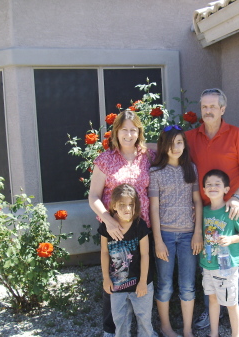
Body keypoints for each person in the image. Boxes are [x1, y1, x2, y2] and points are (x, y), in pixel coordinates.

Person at [185, 88, 239, 332]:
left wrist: (237, 197)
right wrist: (137, 144)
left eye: (213, 107)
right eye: (204, 107)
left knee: (230, 264)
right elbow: (166, 146)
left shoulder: (235, 134)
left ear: (222, 110)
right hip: (205, 214)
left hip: (231, 212)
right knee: (209, 262)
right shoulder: (192, 136)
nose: (207, 111)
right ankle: (211, 311)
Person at [89, 109, 155, 337]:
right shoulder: (105, 160)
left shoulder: (147, 156)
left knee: (142, 275)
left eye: (133, 130)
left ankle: (144, 327)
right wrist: (107, 220)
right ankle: (112, 329)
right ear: (116, 132)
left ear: (139, 132)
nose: (128, 134)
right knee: (115, 278)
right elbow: (93, 196)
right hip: (116, 231)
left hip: (142, 229)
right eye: (124, 129)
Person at [149, 125, 203, 337]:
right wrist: (158, 241)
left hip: (189, 236)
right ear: (163, 146)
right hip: (166, 236)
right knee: (164, 286)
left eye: (179, 142)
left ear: (184, 144)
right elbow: (153, 207)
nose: (175, 147)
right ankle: (166, 327)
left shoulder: (191, 168)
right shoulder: (156, 172)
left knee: (188, 285)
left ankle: (187, 330)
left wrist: (198, 232)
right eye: (171, 143)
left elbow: (197, 202)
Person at [99, 183, 157, 337]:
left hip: (141, 284)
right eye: (122, 204)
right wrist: (106, 278)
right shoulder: (107, 227)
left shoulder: (140, 225)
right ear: (113, 205)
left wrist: (143, 281)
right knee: (121, 321)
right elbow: (104, 252)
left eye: (131, 204)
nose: (127, 208)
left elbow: (145, 255)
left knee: (144, 320)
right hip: (117, 285)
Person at [200, 169, 239, 337]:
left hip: (226, 267)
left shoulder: (232, 210)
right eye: (208, 184)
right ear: (204, 190)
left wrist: (231, 239)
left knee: (231, 303)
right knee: (213, 300)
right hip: (207, 265)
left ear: (226, 189)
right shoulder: (204, 211)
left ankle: (235, 335)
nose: (212, 187)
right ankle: (213, 333)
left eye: (217, 184)